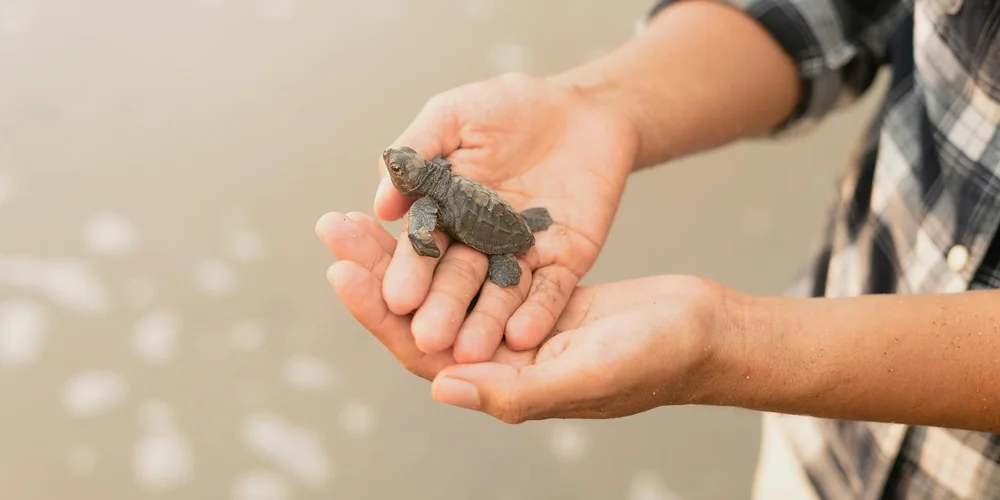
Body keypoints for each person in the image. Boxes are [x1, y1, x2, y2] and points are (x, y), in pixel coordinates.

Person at [314, 0, 1000, 497]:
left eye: (400, 171)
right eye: (404, 166)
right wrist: (597, 103)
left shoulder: (436, 198)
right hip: (823, 443)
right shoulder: (445, 186)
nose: (397, 170)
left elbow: (429, 225)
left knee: (491, 241)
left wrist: (735, 345)